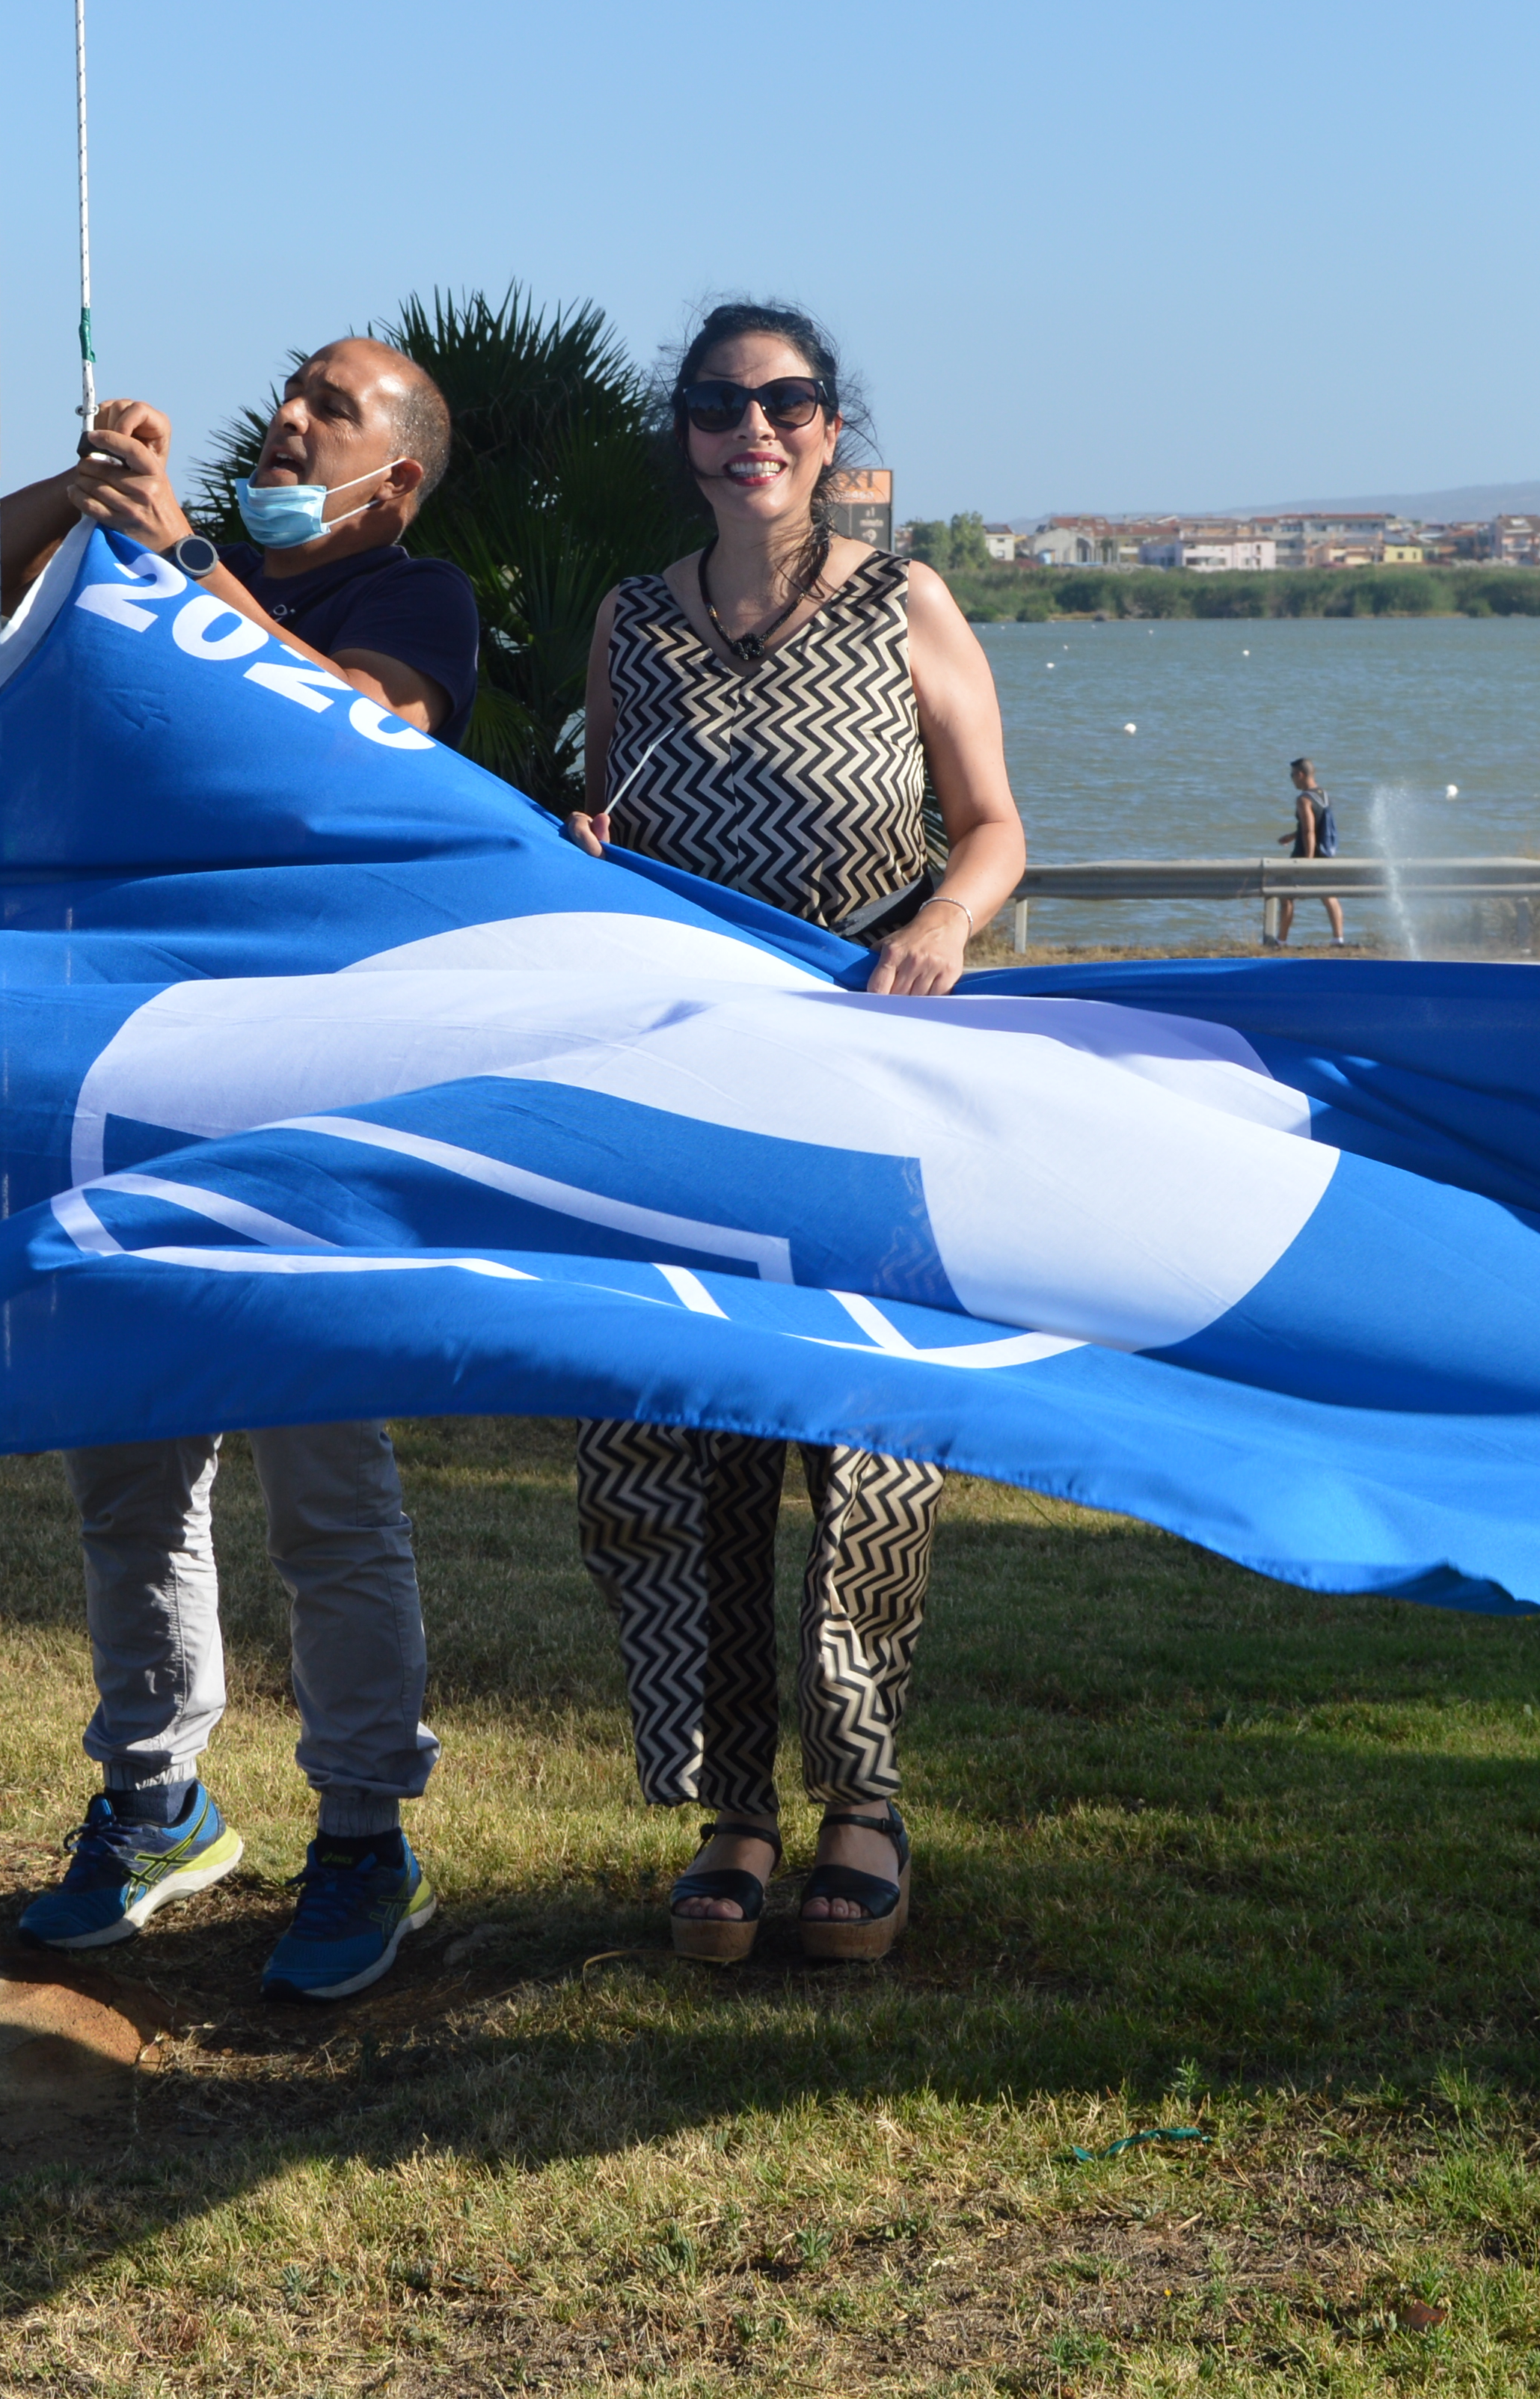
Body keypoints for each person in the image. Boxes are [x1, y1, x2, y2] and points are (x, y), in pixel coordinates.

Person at [0, 336, 469, 1998]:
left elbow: (345, 729)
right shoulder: (185, 561)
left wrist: (180, 556)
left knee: (325, 1480)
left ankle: (362, 1827)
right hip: (132, 1070)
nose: (286, 416)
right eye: (289, 390)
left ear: (388, 475)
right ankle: (155, 1794)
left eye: (327, 406)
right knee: (127, 1468)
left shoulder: (417, 597)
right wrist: (85, 492)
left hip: (313, 1093)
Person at [564, 299, 1029, 1962]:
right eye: (715, 403)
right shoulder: (630, 619)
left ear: (830, 429)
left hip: (870, 1082)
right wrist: (580, 843)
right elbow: (615, 832)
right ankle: (730, 1806)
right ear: (682, 435)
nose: (749, 427)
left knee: (865, 1441)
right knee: (679, 1431)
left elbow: (991, 825)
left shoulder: (904, 601)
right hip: (689, 1086)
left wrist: (950, 925)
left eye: (785, 400)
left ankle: (864, 1800)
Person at [1280, 756, 1349, 945]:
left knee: (1285, 895)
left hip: (1306, 853)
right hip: (1325, 853)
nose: (1291, 779)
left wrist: (1307, 861)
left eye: (1292, 775)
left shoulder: (1303, 799)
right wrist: (1292, 835)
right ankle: (1338, 939)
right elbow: (1317, 825)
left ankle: (1281, 941)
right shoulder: (1323, 794)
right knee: (1329, 896)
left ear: (1301, 774)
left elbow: (1309, 831)